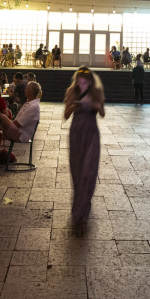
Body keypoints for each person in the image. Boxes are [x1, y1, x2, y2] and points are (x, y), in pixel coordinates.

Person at [64, 68, 104, 232]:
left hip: (91, 134)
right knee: (78, 172)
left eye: (84, 82)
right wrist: (74, 106)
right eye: (79, 82)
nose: (81, 85)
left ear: (90, 82)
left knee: (88, 172)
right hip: (76, 134)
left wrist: (96, 105)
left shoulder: (96, 92)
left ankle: (83, 212)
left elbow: (102, 112)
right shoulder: (72, 92)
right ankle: (77, 212)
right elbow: (66, 115)